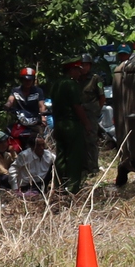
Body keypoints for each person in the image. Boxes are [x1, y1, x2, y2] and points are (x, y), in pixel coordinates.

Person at [50, 59, 100, 191]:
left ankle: (59, 184)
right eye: (77, 69)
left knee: (61, 155)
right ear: (71, 71)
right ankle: (72, 187)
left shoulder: (56, 84)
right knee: (75, 155)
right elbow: (77, 106)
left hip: (59, 124)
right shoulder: (72, 84)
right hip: (72, 125)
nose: (79, 72)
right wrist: (87, 123)